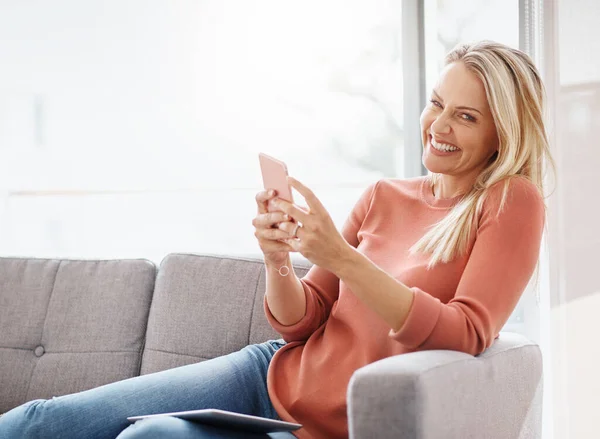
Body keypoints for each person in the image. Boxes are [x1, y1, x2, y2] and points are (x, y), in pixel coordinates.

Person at [0, 40, 553, 439]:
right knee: (44, 420)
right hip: (267, 374)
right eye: (436, 102)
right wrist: (278, 261)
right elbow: (301, 321)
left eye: (465, 116)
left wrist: (340, 255)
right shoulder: (385, 193)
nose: (438, 125)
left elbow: (466, 332)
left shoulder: (509, 202)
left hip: (326, 426)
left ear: (500, 134)